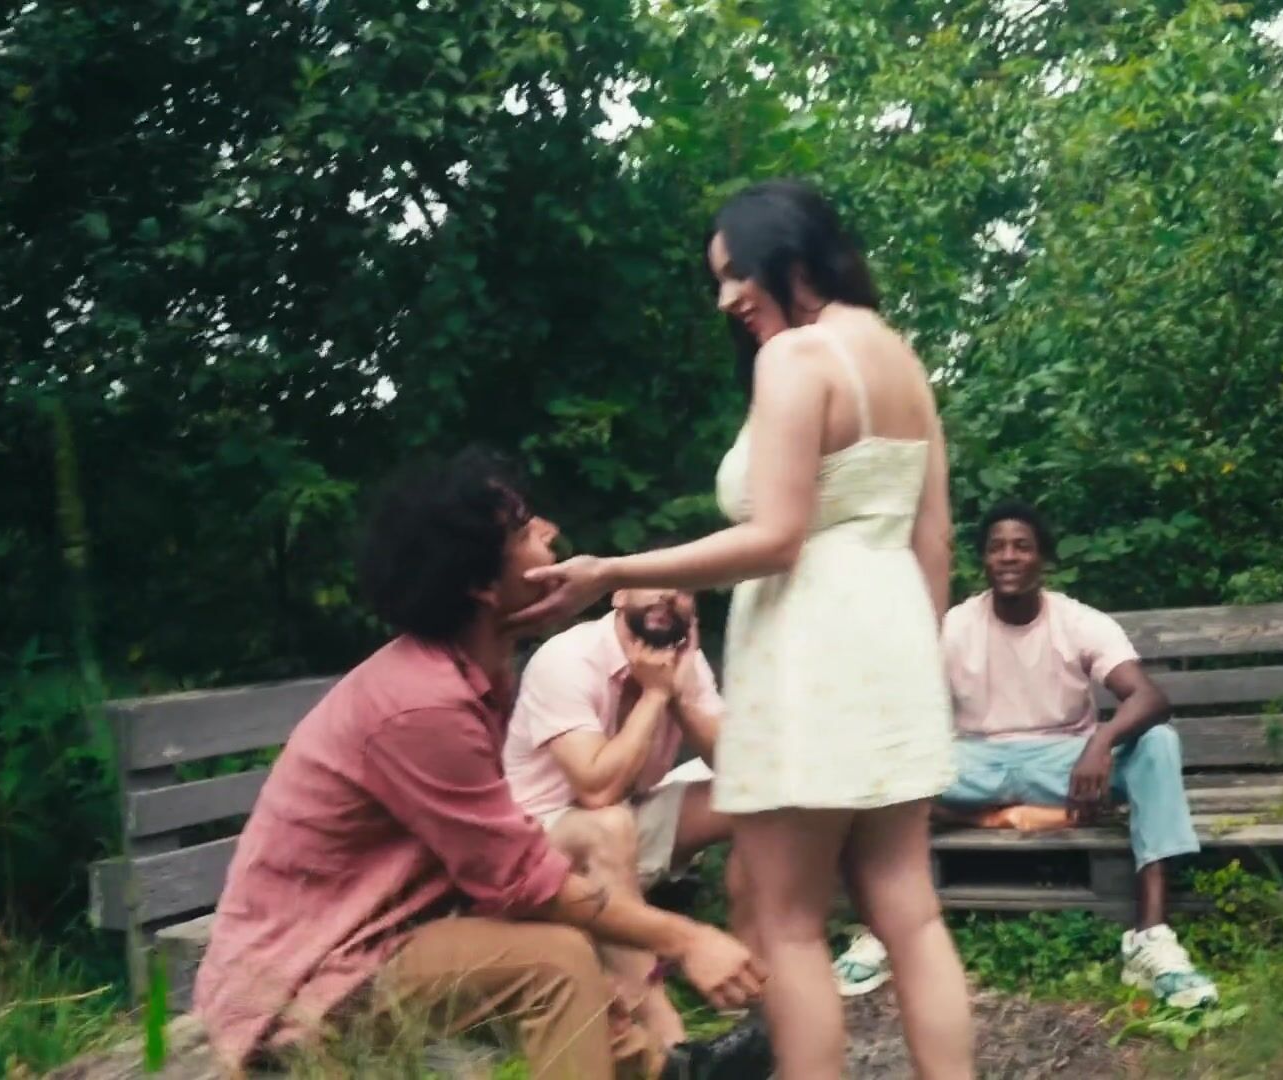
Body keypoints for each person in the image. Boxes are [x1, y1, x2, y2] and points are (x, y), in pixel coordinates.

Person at [511, 180, 975, 1080]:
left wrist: (613, 571)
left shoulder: (798, 356)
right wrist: (916, 670)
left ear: (789, 256)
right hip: (893, 648)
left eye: (736, 275)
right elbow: (936, 538)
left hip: (811, 654)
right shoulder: (901, 359)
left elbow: (776, 538)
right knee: (911, 914)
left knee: (788, 922)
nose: (726, 298)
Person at [191, 447, 771, 1080]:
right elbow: (525, 881)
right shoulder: (422, 703)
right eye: (524, 531)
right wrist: (689, 939)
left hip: (382, 932)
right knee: (553, 963)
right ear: (481, 585)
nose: (550, 530)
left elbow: (504, 868)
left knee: (552, 949)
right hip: (305, 976)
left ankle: (664, 1071)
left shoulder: (466, 673)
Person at [833, 501, 1218, 1008]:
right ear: (984, 561)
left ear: (1043, 559)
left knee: (1158, 742)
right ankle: (883, 929)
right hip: (977, 761)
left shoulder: (1077, 621)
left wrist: (1099, 743)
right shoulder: (956, 626)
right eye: (997, 547)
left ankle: (1151, 939)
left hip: (1063, 764)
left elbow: (1149, 698)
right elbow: (906, 709)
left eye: (1022, 546)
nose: (1009, 556)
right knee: (882, 760)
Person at [502, 585, 739, 1047]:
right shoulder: (568, 659)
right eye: (654, 582)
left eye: (681, 589)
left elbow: (740, 769)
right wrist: (654, 695)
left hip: (626, 824)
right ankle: (665, 1033)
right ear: (620, 594)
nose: (667, 596)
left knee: (749, 800)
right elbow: (597, 790)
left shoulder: (683, 660)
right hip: (540, 844)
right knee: (608, 823)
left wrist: (680, 695)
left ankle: (757, 969)